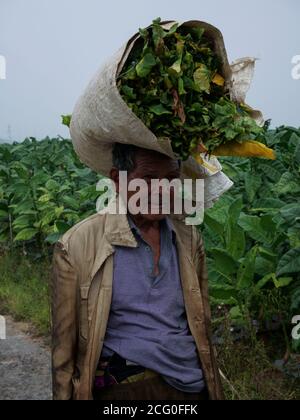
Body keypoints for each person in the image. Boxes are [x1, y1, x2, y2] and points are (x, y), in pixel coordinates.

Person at [51, 142, 224, 400]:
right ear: (117, 179)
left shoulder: (188, 237)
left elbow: (202, 323)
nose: (161, 190)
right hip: (124, 388)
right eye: (148, 178)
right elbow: (63, 351)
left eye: (170, 179)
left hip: (188, 384)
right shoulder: (78, 245)